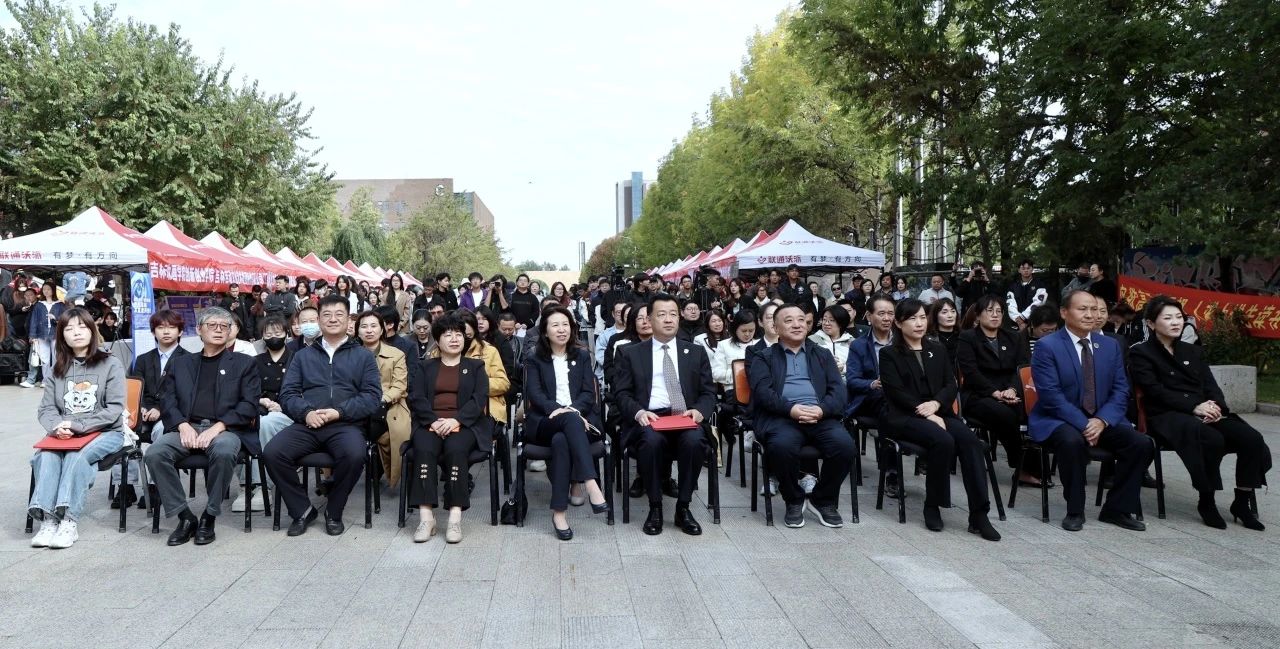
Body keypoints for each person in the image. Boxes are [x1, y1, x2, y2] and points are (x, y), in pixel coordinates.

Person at [1129, 295, 1269, 530]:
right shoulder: (1141, 353)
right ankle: (1207, 500)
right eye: (1168, 318)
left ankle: (1241, 502)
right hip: (1166, 415)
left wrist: (1216, 407)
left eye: (1179, 317)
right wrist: (1193, 407)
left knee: (1251, 438)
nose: (1176, 322)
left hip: (1204, 410)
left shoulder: (1192, 351)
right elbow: (1154, 391)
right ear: (1151, 323)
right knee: (1211, 439)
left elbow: (1210, 384)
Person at [1029, 290, 1152, 532]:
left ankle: (1116, 509)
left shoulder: (1109, 345)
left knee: (1141, 444)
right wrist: (1085, 424)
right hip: (1060, 418)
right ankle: (1075, 510)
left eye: (1094, 309)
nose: (1090, 315)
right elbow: (1051, 396)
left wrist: (1102, 420)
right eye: (1082, 309)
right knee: (1071, 441)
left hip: (1101, 418)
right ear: (1064, 313)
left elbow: (1121, 389)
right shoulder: (1047, 346)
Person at [878, 298, 1001, 540]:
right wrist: (926, 413)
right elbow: (895, 391)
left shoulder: (938, 349)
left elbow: (950, 384)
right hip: (905, 415)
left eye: (922, 317)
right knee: (942, 440)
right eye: (912, 318)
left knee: (970, 442)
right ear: (899, 323)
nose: (919, 323)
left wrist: (935, 405)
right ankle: (932, 505)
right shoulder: (889, 354)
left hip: (940, 411)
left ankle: (979, 514)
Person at [263, 295, 382, 537]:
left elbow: (372, 396)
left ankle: (334, 511)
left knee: (355, 454)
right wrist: (306, 413)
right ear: (318, 320)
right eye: (326, 315)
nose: (333, 319)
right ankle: (302, 510)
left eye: (339, 314)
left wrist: (340, 411)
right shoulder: (302, 356)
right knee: (273, 453)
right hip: (308, 424)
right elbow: (288, 394)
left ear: (348, 320)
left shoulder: (363, 356)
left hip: (346, 424)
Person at [145, 307, 261, 546]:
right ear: (199, 330)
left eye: (224, 326)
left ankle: (209, 515)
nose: (219, 330)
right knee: (155, 453)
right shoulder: (181, 363)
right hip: (187, 427)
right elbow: (167, 400)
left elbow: (249, 405)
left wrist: (218, 427)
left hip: (226, 429)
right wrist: (182, 425)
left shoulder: (244, 363)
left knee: (224, 450)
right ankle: (185, 516)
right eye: (212, 325)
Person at [613, 294, 716, 536]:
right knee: (651, 442)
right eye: (661, 315)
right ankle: (655, 507)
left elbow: (708, 392)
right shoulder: (630, 353)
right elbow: (622, 393)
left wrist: (699, 411)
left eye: (673, 314)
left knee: (695, 441)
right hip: (651, 418)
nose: (668, 319)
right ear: (649, 319)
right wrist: (638, 412)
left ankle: (683, 507)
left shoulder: (696, 352)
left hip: (684, 417)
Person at [28, 307, 127, 549]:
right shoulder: (57, 368)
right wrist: (56, 427)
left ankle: (68, 521)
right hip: (65, 434)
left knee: (77, 456)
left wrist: (78, 426)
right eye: (69, 329)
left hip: (106, 432)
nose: (76, 332)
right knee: (45, 455)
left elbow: (114, 408)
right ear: (62, 335)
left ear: (92, 330)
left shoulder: (110, 364)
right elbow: (46, 408)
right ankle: (48, 520)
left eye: (82, 327)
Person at [749, 304, 855, 528]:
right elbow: (763, 393)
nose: (797, 324)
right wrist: (791, 409)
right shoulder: (763, 357)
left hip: (820, 416)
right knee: (781, 446)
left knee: (845, 446)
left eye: (801, 319)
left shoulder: (822, 354)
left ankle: (823, 499)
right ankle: (794, 499)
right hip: (782, 417)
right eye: (788, 320)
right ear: (775, 328)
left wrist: (822, 410)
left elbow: (838, 391)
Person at [523, 306, 609, 539]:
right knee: (568, 421)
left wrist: (572, 411)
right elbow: (536, 394)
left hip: (581, 421)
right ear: (545, 331)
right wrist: (559, 411)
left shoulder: (582, 356)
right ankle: (590, 482)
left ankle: (559, 513)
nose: (562, 330)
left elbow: (588, 393)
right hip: (545, 420)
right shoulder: (535, 358)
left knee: (562, 440)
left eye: (565, 325)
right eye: (555, 325)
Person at [406, 312, 490, 543]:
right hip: (430, 422)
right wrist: (433, 421)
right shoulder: (425, 366)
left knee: (456, 450)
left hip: (464, 424)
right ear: (437, 340)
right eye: (448, 334)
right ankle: (427, 518)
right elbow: (416, 397)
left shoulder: (475, 366)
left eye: (459, 334)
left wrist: (456, 421)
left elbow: (479, 399)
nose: (454, 339)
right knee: (424, 449)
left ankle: (454, 518)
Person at [955, 295, 1040, 485]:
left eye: (999, 311)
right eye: (990, 311)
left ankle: (1032, 466)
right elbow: (970, 372)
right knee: (1005, 413)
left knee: (1032, 410)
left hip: (1010, 393)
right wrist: (996, 393)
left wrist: (1012, 389)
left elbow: (1022, 367)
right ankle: (1021, 466)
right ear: (978, 315)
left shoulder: (1013, 336)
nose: (995, 315)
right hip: (978, 394)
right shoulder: (968, 337)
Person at [355, 311, 413, 490]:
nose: (369, 330)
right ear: (357, 331)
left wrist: (380, 400)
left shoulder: (397, 354)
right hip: (358, 404)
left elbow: (399, 385)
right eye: (364, 326)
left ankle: (362, 466)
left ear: (382, 330)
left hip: (390, 404)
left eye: (374, 326)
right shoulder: (350, 354)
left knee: (386, 430)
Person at [241, 315, 293, 512]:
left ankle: (261, 484)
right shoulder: (254, 362)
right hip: (261, 408)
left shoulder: (297, 359)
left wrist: (283, 405)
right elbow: (246, 390)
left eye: (278, 332)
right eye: (268, 333)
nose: (273, 337)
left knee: (266, 424)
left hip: (289, 411)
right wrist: (260, 400)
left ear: (286, 334)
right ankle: (244, 484)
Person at [455, 309, 510, 435]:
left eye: (468, 336)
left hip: (485, 406)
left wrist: (473, 384)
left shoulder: (489, 351)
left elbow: (503, 383)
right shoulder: (440, 351)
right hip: (451, 406)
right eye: (459, 336)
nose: (462, 341)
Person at [845, 294, 894, 419]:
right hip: (874, 398)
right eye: (881, 313)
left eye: (890, 313)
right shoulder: (858, 345)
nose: (887, 318)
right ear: (869, 316)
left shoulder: (902, 342)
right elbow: (852, 380)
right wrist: (873, 384)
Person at [21, 281, 67, 389]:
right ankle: (46, 380)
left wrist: (56, 318)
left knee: (56, 357)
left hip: (55, 334)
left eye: (48, 289)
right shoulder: (39, 305)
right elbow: (34, 321)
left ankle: (54, 379)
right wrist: (32, 336)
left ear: (53, 290)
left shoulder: (60, 304)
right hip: (41, 334)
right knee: (44, 359)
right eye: (44, 289)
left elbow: (65, 319)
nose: (46, 291)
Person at [809, 305, 854, 376]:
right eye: (824, 319)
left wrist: (843, 368)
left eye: (831, 320)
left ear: (841, 323)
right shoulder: (812, 340)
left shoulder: (852, 342)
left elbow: (858, 366)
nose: (826, 323)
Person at [1006, 259, 1048, 329]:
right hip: (1016, 324)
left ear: (1032, 269)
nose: (1026, 270)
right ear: (1019, 270)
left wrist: (1023, 317)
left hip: (1034, 323)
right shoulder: (1013, 287)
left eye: (1028, 268)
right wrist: (1019, 320)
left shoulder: (1040, 285)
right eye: (1023, 268)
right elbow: (1010, 304)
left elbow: (1039, 302)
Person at [593, 301, 629, 383]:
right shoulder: (605, 335)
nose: (622, 314)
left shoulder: (636, 333)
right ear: (613, 314)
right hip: (612, 376)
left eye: (624, 311)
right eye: (618, 312)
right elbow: (601, 358)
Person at [926, 298, 961, 362]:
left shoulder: (963, 336)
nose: (950, 315)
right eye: (944, 312)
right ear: (935, 315)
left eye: (953, 311)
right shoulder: (928, 339)